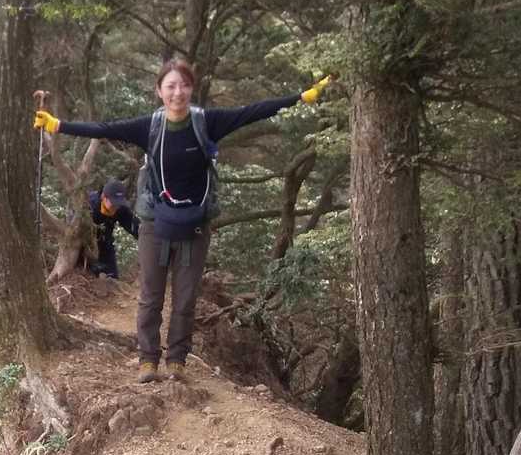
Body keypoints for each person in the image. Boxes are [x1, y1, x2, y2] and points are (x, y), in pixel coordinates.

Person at [35, 61, 331, 383]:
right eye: (171, 86)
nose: (178, 92)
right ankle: (148, 359)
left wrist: (301, 97)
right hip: (154, 223)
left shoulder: (206, 123)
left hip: (196, 225)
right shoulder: (150, 127)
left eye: (184, 85)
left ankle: (176, 359)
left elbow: (253, 111)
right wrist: (58, 125)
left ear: (192, 88)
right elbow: (105, 129)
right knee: (151, 296)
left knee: (186, 297)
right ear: (159, 91)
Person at [85, 178, 138, 279]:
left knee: (112, 279)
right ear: (104, 197)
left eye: (119, 203)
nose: (116, 206)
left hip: (106, 245)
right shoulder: (89, 204)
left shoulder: (121, 208)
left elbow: (135, 228)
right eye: (113, 202)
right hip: (86, 248)